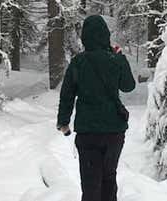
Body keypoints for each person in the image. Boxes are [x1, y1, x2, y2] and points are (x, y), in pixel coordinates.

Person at [56, 14, 136, 201]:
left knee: (91, 184)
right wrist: (120, 57)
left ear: (85, 37)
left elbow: (67, 95)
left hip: (88, 132)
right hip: (114, 133)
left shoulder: (78, 62)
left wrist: (63, 121)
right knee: (109, 178)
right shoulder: (115, 60)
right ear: (105, 36)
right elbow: (128, 85)